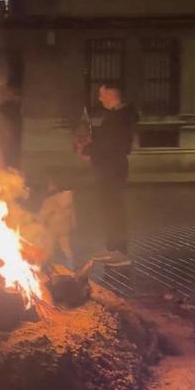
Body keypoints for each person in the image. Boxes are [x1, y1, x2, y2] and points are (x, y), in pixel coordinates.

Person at [78, 83, 139, 267]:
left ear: (111, 95)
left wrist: (88, 150)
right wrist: (89, 144)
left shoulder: (121, 117)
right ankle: (112, 248)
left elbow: (112, 144)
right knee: (108, 209)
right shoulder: (115, 115)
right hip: (107, 167)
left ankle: (121, 252)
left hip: (113, 168)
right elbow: (105, 139)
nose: (99, 98)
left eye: (102, 94)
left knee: (114, 210)